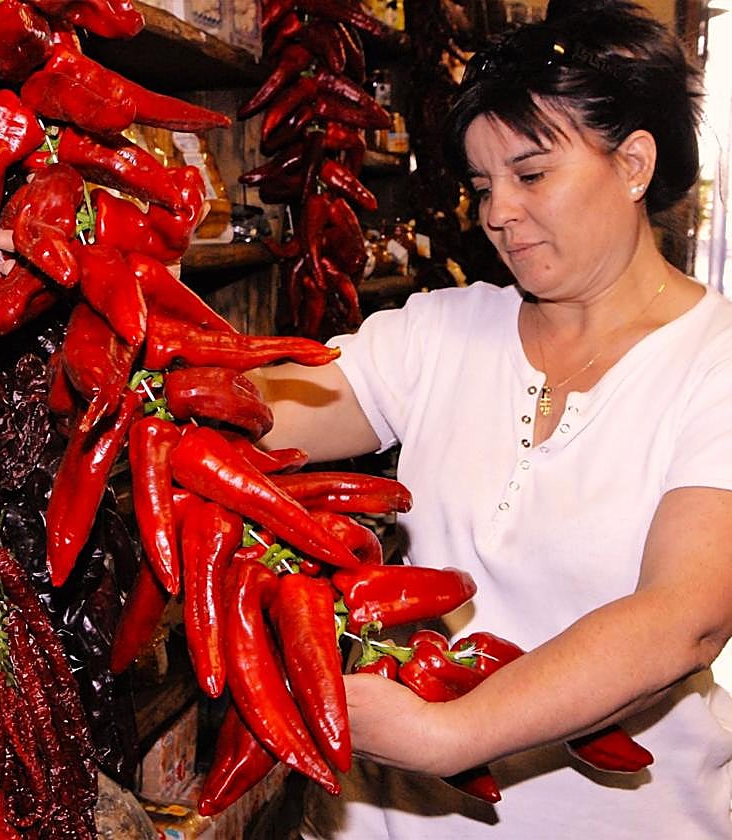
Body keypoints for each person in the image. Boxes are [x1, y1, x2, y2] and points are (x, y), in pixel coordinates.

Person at [252, 1, 732, 836]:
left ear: (634, 164)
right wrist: (130, 340)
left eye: (531, 174)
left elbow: (684, 616)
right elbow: (258, 416)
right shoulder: (442, 332)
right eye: (481, 186)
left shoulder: (714, 364)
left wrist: (450, 735)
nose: (497, 212)